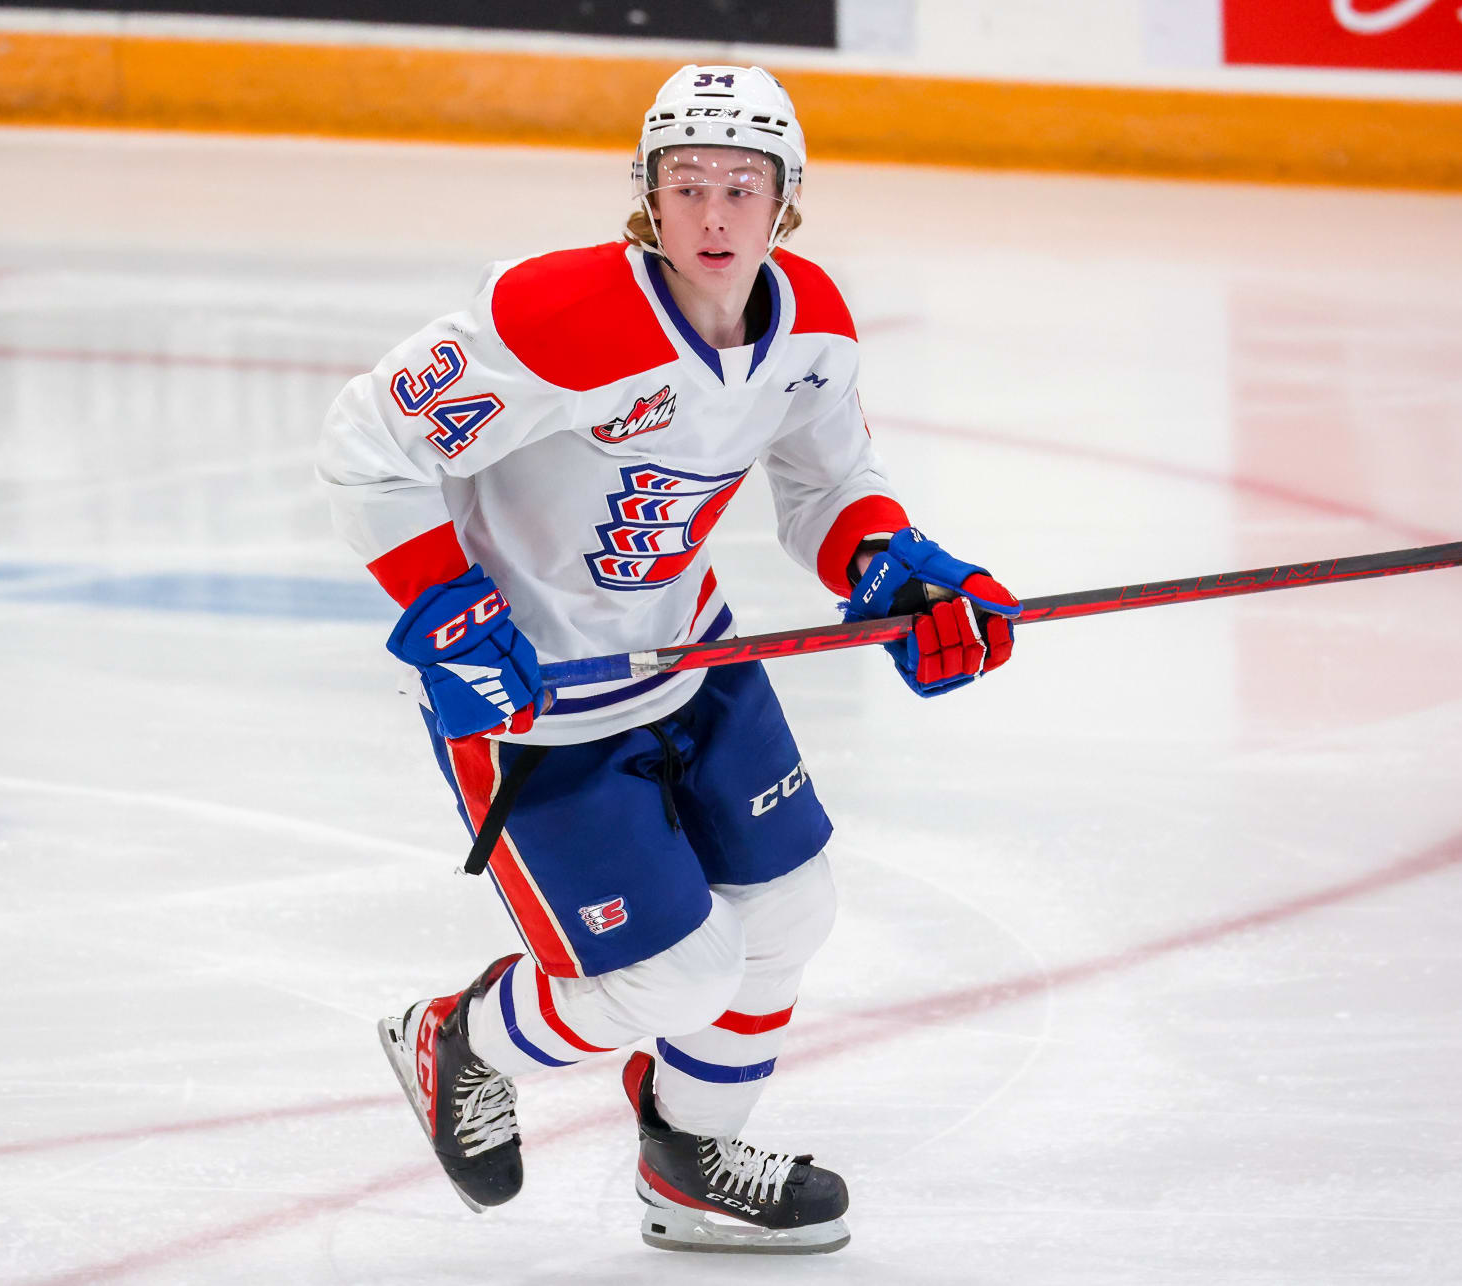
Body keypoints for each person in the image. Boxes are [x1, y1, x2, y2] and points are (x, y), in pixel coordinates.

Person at [316, 63, 1019, 1255]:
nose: (710, 213)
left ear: (785, 202)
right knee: (675, 979)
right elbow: (366, 443)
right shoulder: (556, 315)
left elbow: (830, 484)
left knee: (792, 909)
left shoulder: (813, 328)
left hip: (695, 658)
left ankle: (691, 1163)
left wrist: (896, 569)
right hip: (537, 704)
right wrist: (447, 605)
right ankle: (460, 1036)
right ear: (644, 192)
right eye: (684, 183)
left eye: (741, 187)